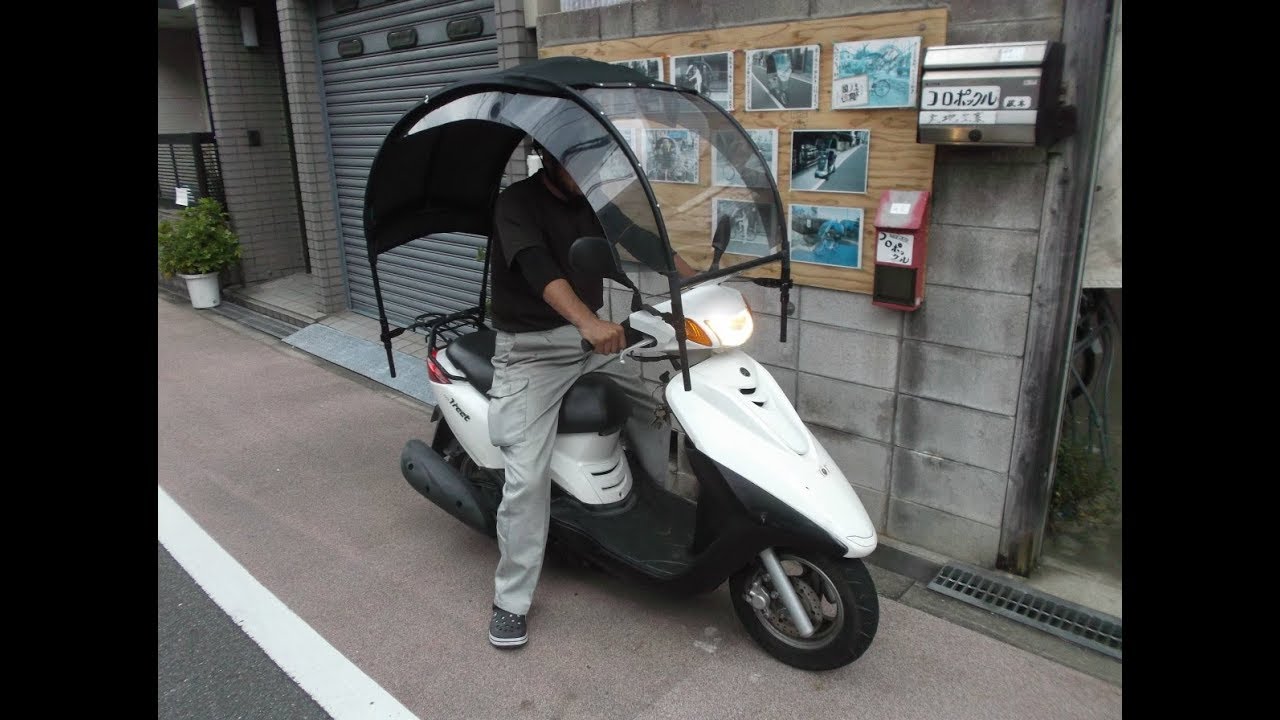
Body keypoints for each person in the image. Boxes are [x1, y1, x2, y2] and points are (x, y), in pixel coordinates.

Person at [484, 141, 697, 649]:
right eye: (573, 163)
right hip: (532, 352)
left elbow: (640, 240)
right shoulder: (515, 204)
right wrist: (588, 321)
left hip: (591, 342)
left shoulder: (595, 200)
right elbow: (539, 269)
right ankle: (510, 600)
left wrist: (699, 275)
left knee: (654, 407)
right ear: (546, 158)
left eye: (592, 163)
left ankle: (639, 507)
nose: (585, 173)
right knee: (526, 477)